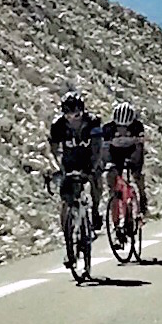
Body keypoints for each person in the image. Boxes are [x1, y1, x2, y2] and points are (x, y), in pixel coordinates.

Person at [49, 91, 104, 237]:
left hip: (89, 159)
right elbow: (53, 150)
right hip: (70, 161)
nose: (73, 120)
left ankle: (96, 211)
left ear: (83, 112)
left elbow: (98, 148)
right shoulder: (58, 126)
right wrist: (58, 168)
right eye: (68, 116)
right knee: (65, 197)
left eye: (77, 116)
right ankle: (67, 235)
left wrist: (92, 168)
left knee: (96, 179)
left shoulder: (93, 121)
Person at [102, 101, 148, 237]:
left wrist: (135, 165)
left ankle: (142, 196)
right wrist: (107, 165)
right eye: (119, 127)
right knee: (112, 179)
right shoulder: (108, 128)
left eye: (125, 127)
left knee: (137, 175)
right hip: (115, 154)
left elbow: (139, 148)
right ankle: (116, 224)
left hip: (132, 152)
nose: (122, 129)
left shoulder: (137, 127)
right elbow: (104, 150)